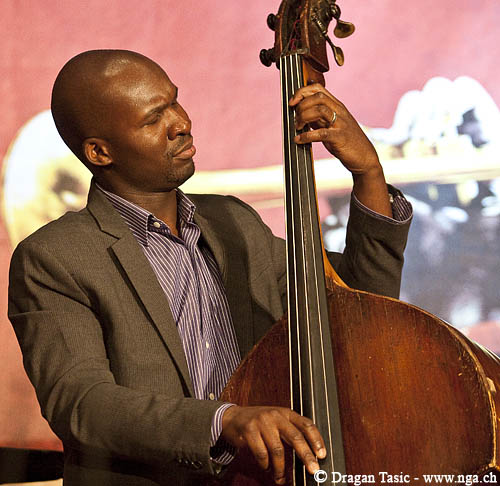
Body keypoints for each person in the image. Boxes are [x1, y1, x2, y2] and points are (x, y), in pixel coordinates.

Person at [8, 50, 412, 486]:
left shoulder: (234, 221)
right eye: (153, 119)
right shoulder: (53, 258)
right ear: (100, 152)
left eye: (174, 101)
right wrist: (223, 421)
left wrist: (368, 172)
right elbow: (83, 404)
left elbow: (359, 305)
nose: (181, 123)